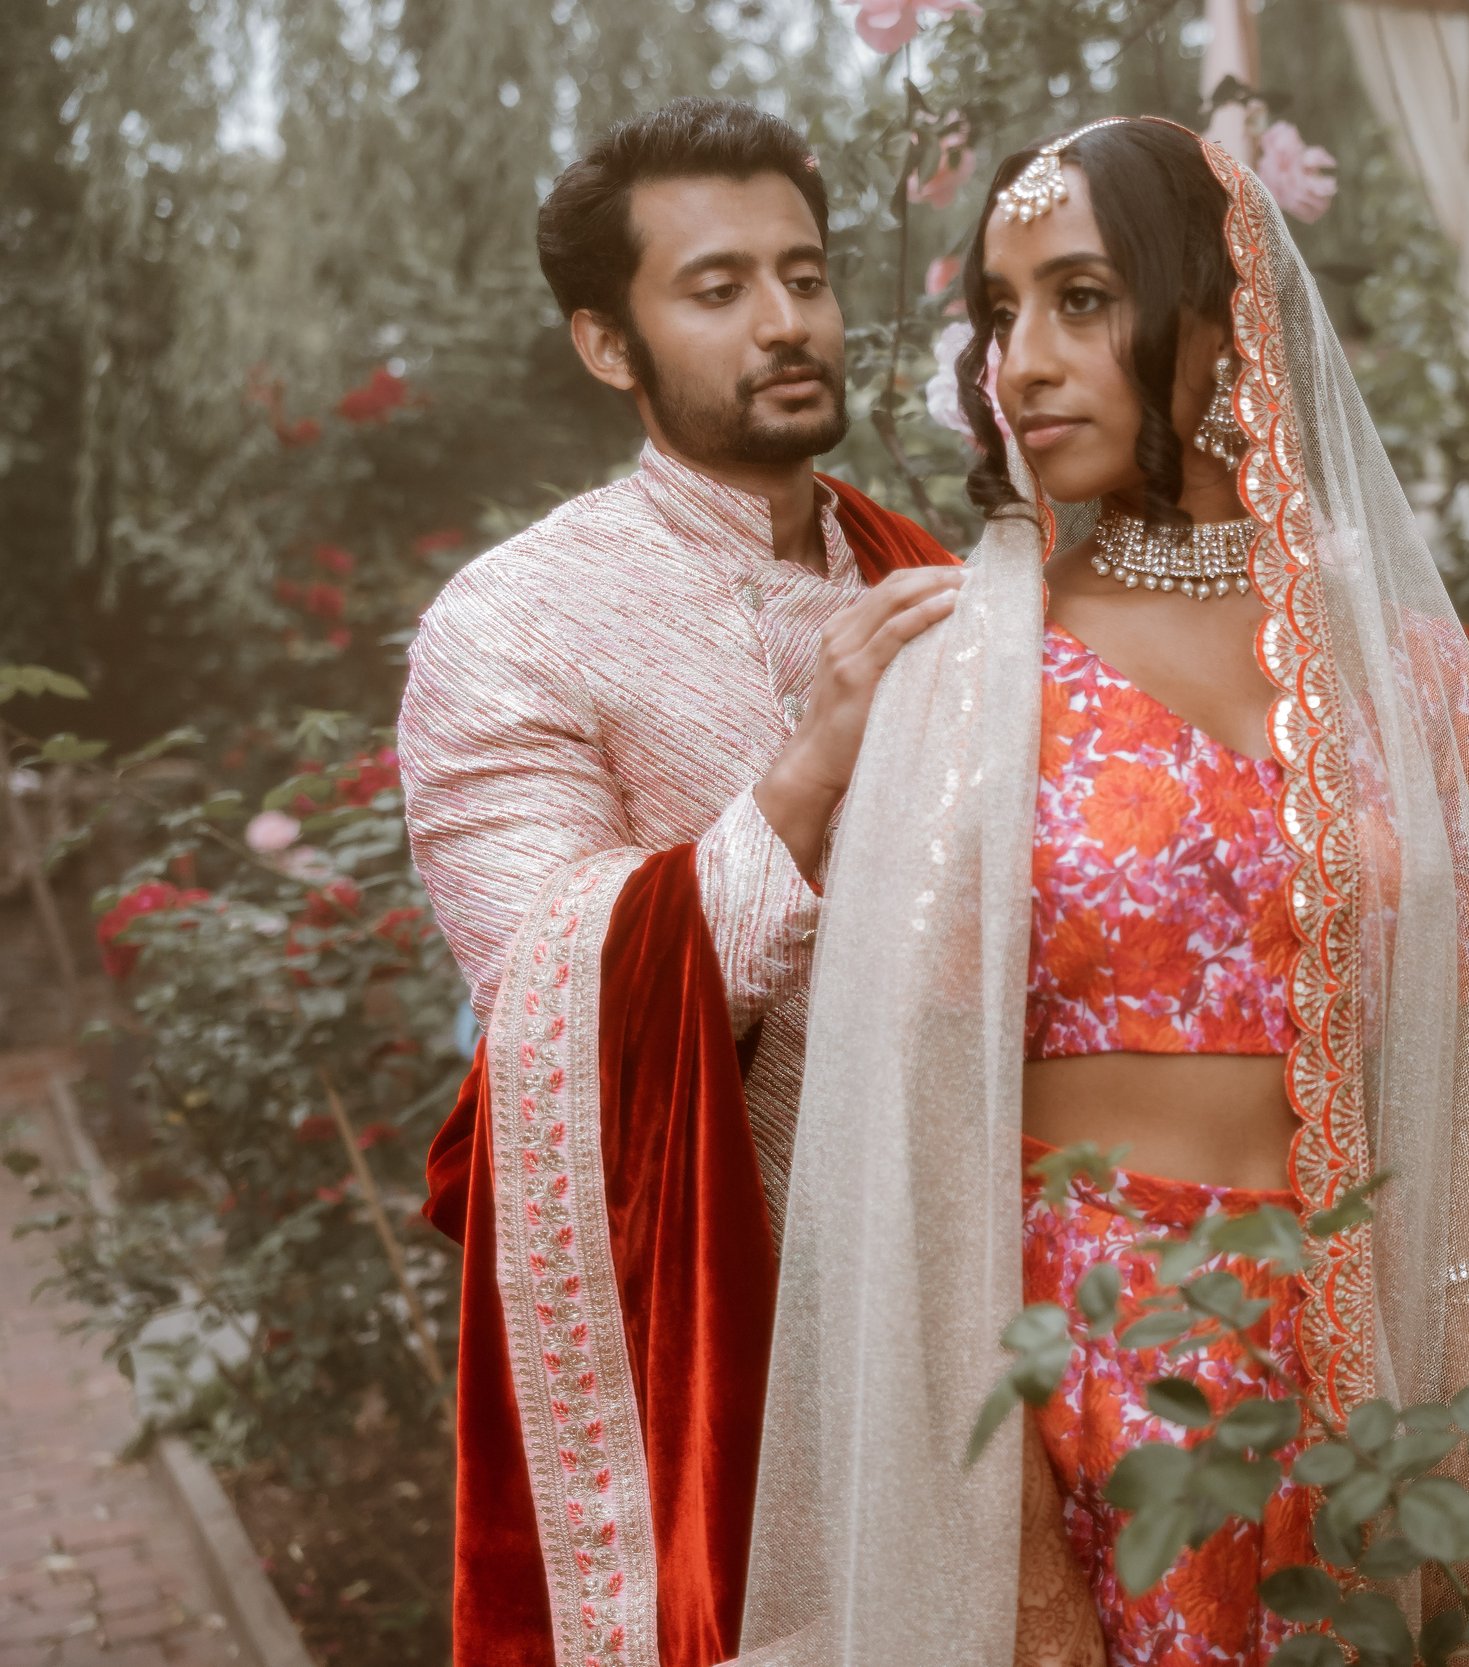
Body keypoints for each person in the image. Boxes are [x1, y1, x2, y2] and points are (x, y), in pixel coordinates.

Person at [738, 118, 1469, 1664]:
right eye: (1000, 313)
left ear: (1212, 312)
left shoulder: (1397, 667)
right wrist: (1001, 1500)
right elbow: (912, 1115)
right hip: (1101, 1363)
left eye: (1081, 299)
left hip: (1368, 1327)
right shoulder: (972, 667)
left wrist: (1458, 1353)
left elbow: (1458, 1030)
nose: (1024, 364)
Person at [396, 98, 965, 1667]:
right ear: (607, 343)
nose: (787, 323)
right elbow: (546, 1006)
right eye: (717, 290)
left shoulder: (924, 574)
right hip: (733, 1350)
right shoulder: (510, 625)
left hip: (990, 1303)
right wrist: (811, 768)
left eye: (807, 273)